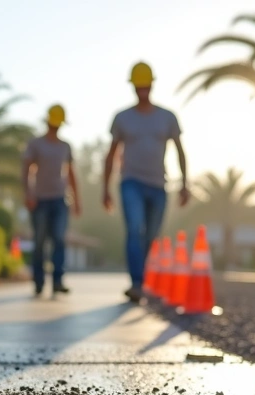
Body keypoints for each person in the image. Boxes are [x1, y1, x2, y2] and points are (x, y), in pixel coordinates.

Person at [102, 61, 189, 303]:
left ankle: (147, 280)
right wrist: (105, 189)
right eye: (138, 87)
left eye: (145, 86)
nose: (142, 90)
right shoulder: (122, 118)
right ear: (133, 87)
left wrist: (185, 183)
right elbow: (110, 155)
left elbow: (180, 151)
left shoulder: (167, 117)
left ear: (151, 86)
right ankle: (137, 284)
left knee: (151, 236)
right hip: (131, 182)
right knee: (134, 229)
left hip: (158, 186)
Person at [21, 104, 81, 297]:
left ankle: (57, 281)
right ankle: (38, 281)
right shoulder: (36, 144)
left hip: (60, 200)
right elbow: (26, 169)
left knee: (59, 240)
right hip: (39, 200)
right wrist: (28, 193)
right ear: (47, 122)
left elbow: (71, 173)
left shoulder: (65, 146)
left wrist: (77, 199)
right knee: (39, 242)